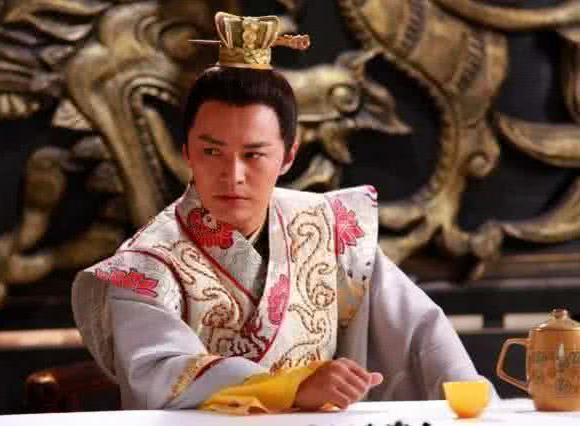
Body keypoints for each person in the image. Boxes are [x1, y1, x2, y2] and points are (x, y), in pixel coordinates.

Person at [72, 12, 486, 414]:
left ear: (288, 156)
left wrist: (473, 406)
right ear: (187, 153)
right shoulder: (144, 266)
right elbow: (161, 371)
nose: (233, 175)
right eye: (212, 151)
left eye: (254, 154)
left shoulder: (330, 226)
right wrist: (292, 388)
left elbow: (422, 336)